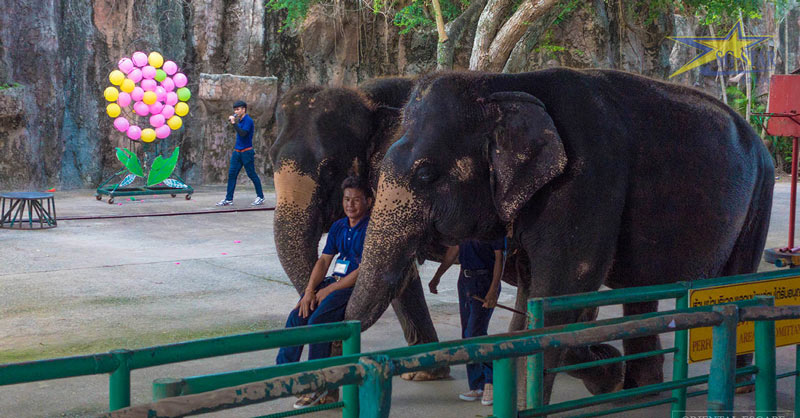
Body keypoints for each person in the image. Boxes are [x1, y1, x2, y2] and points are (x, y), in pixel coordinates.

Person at [276, 176, 372, 409]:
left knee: (318, 323)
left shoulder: (371, 229)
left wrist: (330, 290)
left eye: (356, 200)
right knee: (297, 315)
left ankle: (318, 387)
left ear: (369, 201)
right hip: (333, 281)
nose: (350, 205)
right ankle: (283, 375)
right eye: (347, 199)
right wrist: (310, 291)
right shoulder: (339, 226)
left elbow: (363, 269)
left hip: (351, 287)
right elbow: (324, 261)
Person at [428, 237, 505, 406]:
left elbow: (500, 257)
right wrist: (437, 276)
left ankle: (492, 381)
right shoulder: (463, 223)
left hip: (485, 281)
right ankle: (477, 385)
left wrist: (493, 290)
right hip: (465, 281)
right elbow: (454, 250)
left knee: (475, 333)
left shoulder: (492, 224)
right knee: (466, 334)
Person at [216, 100, 265, 206]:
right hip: (237, 152)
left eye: (238, 109)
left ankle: (260, 197)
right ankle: (228, 199)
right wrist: (235, 124)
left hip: (246, 152)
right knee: (232, 174)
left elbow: (243, 134)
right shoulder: (240, 121)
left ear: (244, 109)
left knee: (251, 174)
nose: (236, 112)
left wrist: (234, 123)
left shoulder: (248, 120)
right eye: (235, 110)